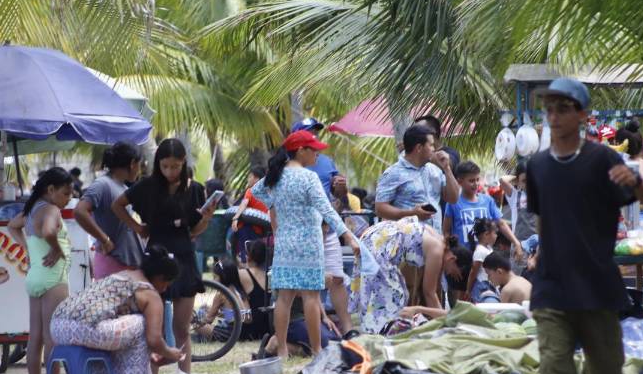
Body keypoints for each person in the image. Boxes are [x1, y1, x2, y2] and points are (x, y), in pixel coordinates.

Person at [520, 78, 643, 374]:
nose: (554, 116)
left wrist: (634, 182)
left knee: (606, 369)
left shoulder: (601, 160)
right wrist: (543, 252)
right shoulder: (537, 166)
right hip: (552, 283)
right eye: (550, 109)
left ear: (582, 115)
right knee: (552, 365)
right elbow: (541, 216)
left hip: (596, 281)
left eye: (563, 108)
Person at [254, 130, 360, 358]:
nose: (318, 155)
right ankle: (317, 349)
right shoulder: (308, 178)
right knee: (311, 297)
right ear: (301, 151)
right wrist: (348, 236)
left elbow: (256, 191)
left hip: (284, 244)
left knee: (284, 298)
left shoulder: (276, 176)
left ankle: (281, 349)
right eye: (314, 150)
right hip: (309, 245)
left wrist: (275, 204)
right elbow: (327, 211)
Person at [114, 139, 216, 374]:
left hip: (184, 255)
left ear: (183, 164)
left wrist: (207, 219)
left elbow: (194, 232)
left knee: (181, 327)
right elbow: (117, 205)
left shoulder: (195, 189)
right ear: (158, 164)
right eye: (166, 166)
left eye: (176, 166)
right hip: (157, 255)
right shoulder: (147, 186)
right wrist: (137, 227)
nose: (171, 171)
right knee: (153, 326)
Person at [51, 245, 185, 374]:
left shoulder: (125, 274)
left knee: (117, 327)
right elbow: (154, 340)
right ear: (160, 277)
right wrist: (170, 353)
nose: (165, 288)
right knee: (142, 324)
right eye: (167, 283)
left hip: (57, 325)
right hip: (84, 328)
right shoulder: (149, 293)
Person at [7, 168, 74, 374]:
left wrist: (26, 248)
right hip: (53, 278)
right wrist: (56, 248)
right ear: (51, 190)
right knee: (51, 337)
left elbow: (11, 226)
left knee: (34, 337)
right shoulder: (52, 210)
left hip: (35, 276)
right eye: (66, 193)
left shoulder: (31, 209)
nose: (69, 198)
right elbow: (47, 231)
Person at [350, 218, 465, 334]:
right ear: (452, 259)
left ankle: (379, 329)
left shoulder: (439, 240)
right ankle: (378, 333)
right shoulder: (437, 251)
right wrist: (445, 325)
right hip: (380, 245)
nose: (448, 273)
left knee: (401, 294)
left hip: (378, 236)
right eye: (453, 272)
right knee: (393, 298)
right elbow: (429, 293)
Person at [74, 142, 144, 280]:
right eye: (140, 165)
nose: (140, 170)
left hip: (124, 265)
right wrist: (104, 240)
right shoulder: (102, 184)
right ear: (132, 163)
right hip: (113, 264)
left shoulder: (122, 187)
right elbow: (79, 211)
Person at [374, 125, 460, 234]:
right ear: (419, 148)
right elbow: (380, 208)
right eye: (431, 145)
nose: (434, 149)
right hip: (407, 243)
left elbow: (453, 199)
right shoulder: (393, 173)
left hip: (435, 239)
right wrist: (411, 213)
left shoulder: (434, 170)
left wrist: (447, 168)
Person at [198, 241, 271, 342]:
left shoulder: (239, 277)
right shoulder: (267, 275)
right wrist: (225, 313)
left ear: (249, 257)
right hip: (261, 327)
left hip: (239, 330)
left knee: (197, 319)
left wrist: (201, 318)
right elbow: (244, 312)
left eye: (215, 277)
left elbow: (209, 319)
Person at [448, 160, 522, 256]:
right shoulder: (453, 202)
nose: (476, 184)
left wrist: (515, 242)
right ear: (460, 181)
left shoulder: (487, 201)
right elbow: (446, 230)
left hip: (485, 258)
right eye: (471, 181)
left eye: (477, 179)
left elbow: (501, 224)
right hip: (462, 258)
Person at [499, 162, 538, 245]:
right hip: (519, 245)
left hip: (537, 245)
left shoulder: (540, 195)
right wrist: (516, 176)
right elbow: (502, 180)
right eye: (524, 181)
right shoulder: (514, 195)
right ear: (517, 181)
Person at [465, 217, 501, 303]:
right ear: (486, 234)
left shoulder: (488, 248)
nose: (496, 236)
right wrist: (468, 290)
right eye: (495, 233)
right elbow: (473, 272)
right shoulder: (480, 251)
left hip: (490, 284)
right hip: (482, 286)